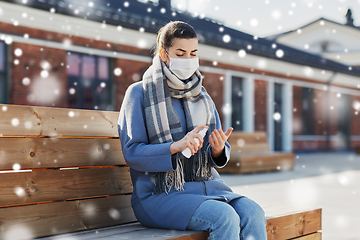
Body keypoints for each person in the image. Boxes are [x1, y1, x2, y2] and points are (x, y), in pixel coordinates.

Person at [118, 21, 267, 240]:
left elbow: (215, 152)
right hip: (158, 195)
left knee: (254, 212)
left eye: (193, 53)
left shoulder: (201, 95)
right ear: (164, 54)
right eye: (180, 53)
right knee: (225, 217)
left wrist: (217, 149)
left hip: (206, 188)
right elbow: (133, 153)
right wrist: (174, 147)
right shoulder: (139, 93)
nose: (188, 60)